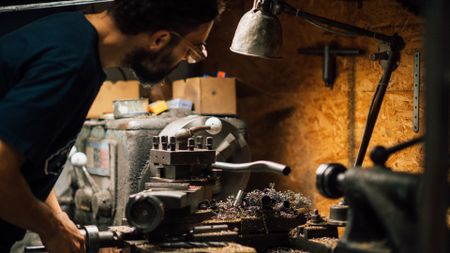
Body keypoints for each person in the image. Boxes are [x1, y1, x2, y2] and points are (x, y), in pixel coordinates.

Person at [0, 0, 224, 252]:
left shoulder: (72, 36)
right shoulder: (69, 65)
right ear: (159, 39)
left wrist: (57, 215)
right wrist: (51, 228)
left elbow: (31, 158)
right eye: (192, 49)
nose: (186, 59)